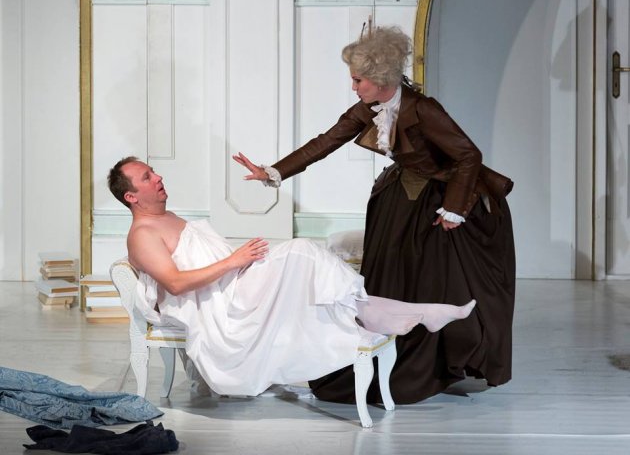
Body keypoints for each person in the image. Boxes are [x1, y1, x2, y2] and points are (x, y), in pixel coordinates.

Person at [233, 25, 515, 404]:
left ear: (381, 80)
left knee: (436, 277)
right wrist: (273, 171)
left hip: (441, 201)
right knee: (393, 273)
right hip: (402, 197)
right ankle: (387, 346)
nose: (354, 87)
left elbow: (468, 155)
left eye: (358, 80)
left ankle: (432, 358)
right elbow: (327, 141)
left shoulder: (424, 109)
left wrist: (454, 208)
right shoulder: (370, 108)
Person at [107, 157, 476, 397]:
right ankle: (392, 312)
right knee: (301, 251)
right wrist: (235, 261)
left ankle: (397, 311)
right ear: (131, 197)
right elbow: (175, 283)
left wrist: (240, 263)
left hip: (235, 282)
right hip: (223, 304)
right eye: (147, 177)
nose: (158, 177)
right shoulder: (143, 235)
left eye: (153, 171)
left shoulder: (167, 218)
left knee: (306, 262)